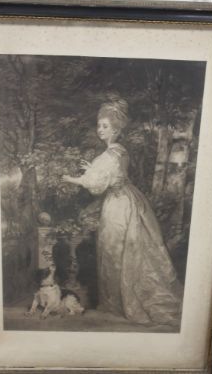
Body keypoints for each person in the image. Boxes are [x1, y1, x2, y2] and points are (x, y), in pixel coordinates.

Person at [62, 99, 182, 326]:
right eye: (99, 125)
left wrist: (74, 179)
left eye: (105, 126)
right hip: (129, 199)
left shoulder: (109, 155)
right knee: (123, 250)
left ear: (116, 129)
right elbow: (108, 174)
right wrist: (93, 172)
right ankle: (117, 302)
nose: (100, 130)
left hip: (117, 205)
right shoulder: (120, 152)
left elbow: (97, 184)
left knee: (114, 250)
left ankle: (120, 304)